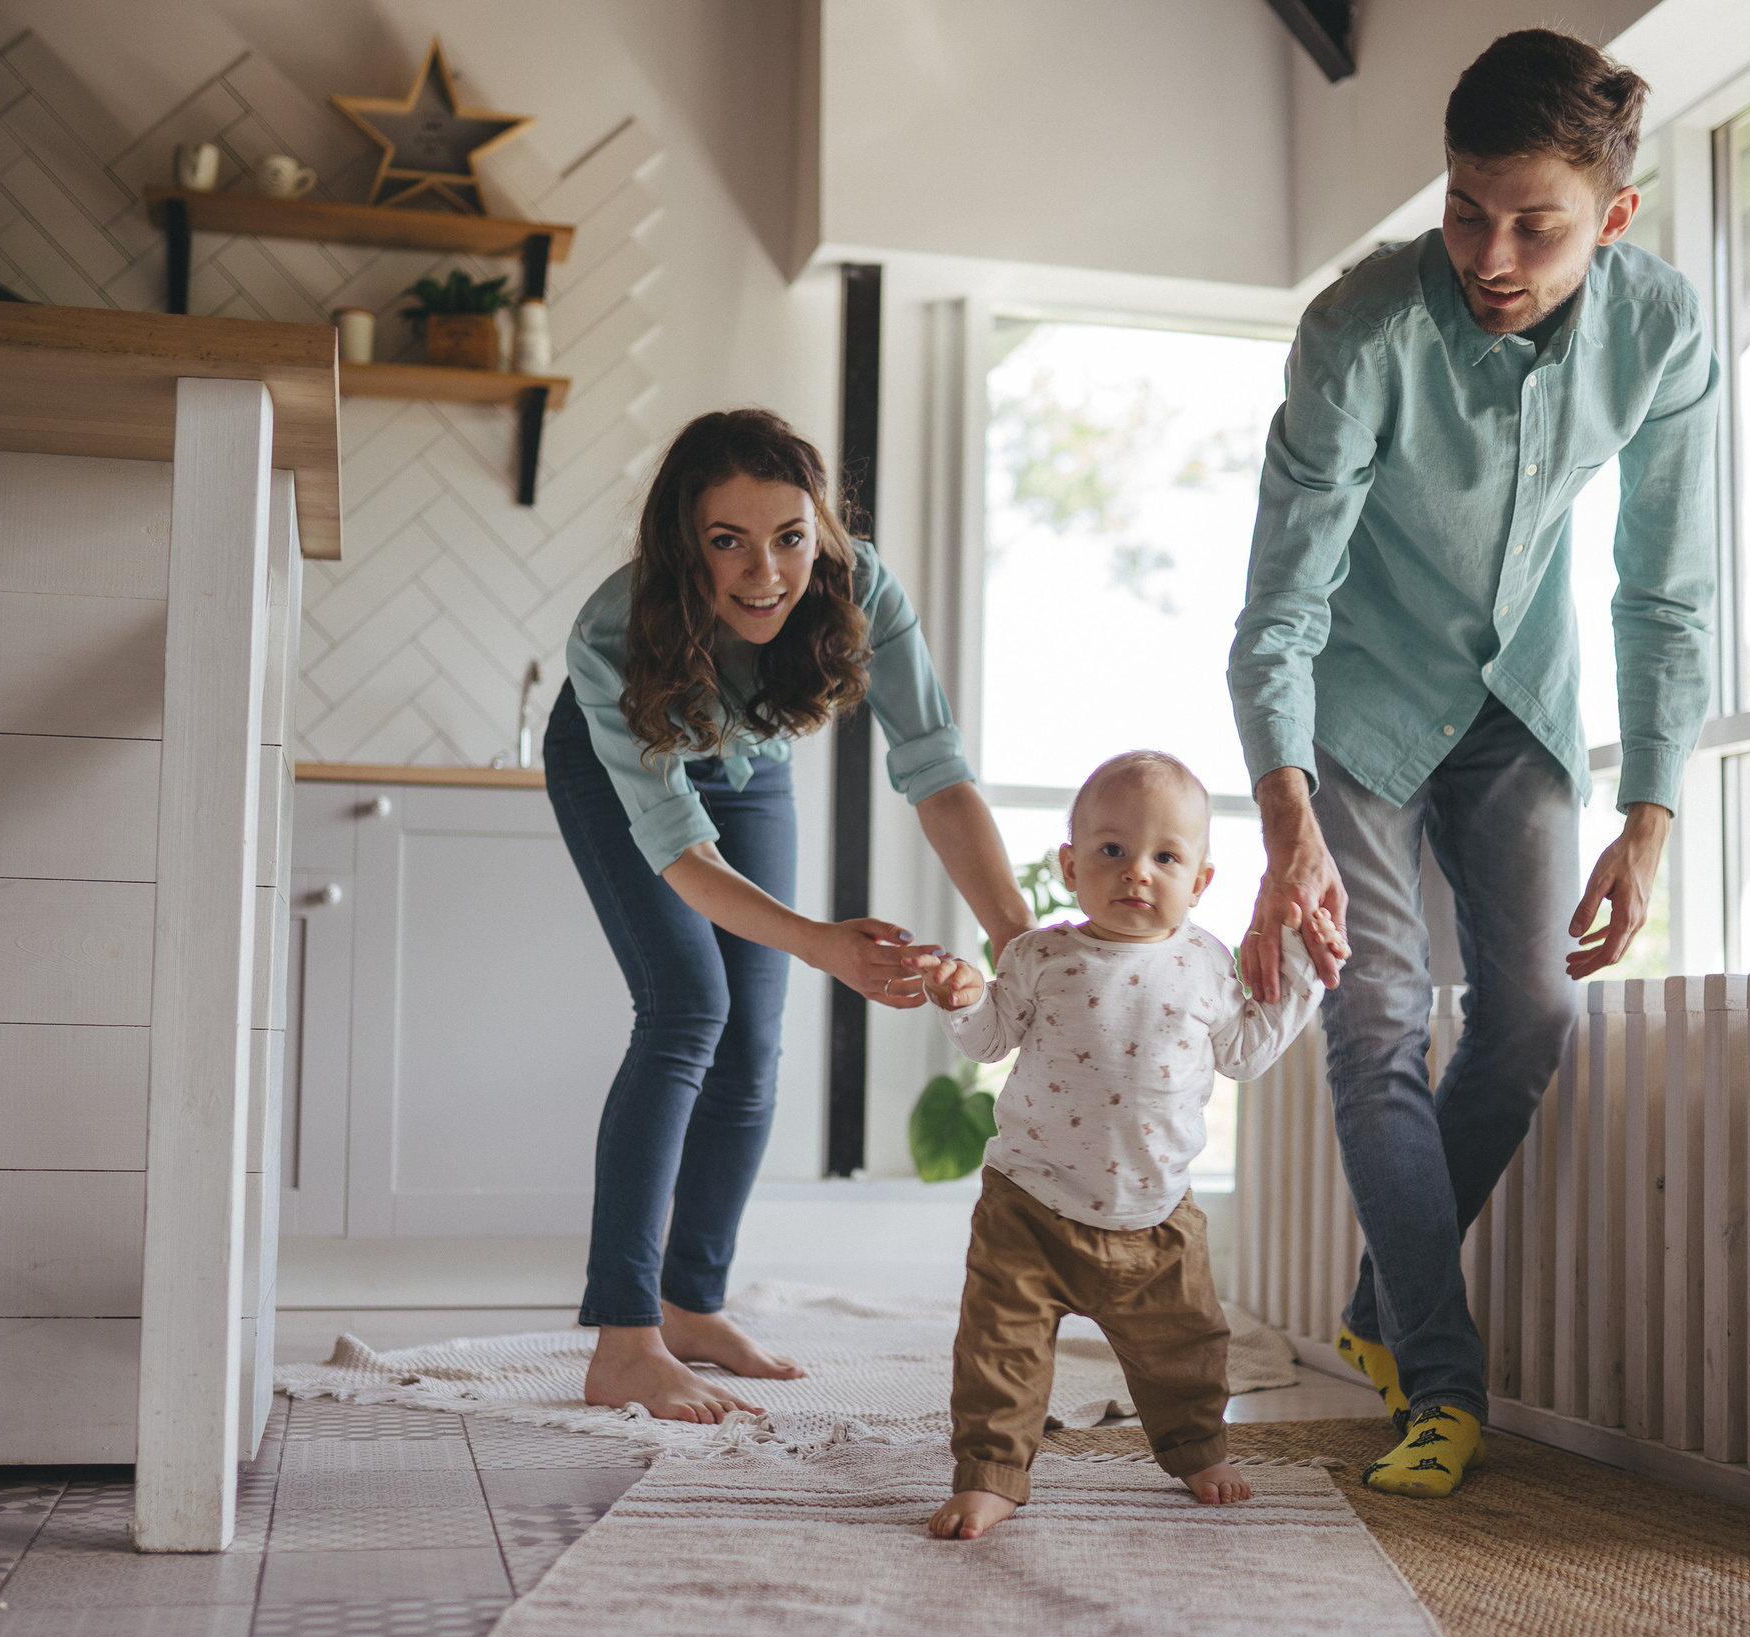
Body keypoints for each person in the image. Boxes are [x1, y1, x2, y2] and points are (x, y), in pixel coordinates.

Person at [1229, 30, 1719, 1499]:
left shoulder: (1663, 329)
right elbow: (1282, 606)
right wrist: (1287, 821)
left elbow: (1665, 589)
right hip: (1358, 707)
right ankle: (1442, 1388)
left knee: (1533, 1014)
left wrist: (1650, 815)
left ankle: (1380, 1309)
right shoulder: (1358, 329)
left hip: (1523, 701)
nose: (1489, 256)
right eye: (1463, 210)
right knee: (1375, 1010)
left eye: (1534, 226)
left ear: (1613, 216)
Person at [545, 408, 1032, 1425]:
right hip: (623, 762)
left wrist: (1022, 944)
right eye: (728, 540)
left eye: (790, 537)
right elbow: (681, 853)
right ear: (685, 543)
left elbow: (937, 773)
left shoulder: (862, 588)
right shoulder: (612, 632)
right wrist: (821, 942)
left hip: (748, 760)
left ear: (821, 531)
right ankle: (625, 1341)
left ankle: (691, 1306)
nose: (765, 573)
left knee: (753, 1044)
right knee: (687, 1008)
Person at [917, 752, 1328, 1539]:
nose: (1137, 871)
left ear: (1200, 881)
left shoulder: (1206, 962)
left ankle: (1198, 1450)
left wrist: (1303, 966)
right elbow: (989, 1040)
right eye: (1112, 850)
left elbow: (1246, 1052)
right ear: (1071, 867)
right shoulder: (1039, 956)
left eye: (1165, 857)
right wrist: (962, 1000)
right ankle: (992, 1473)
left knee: (1187, 1347)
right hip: (1029, 1207)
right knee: (999, 1350)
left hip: (1155, 1217)